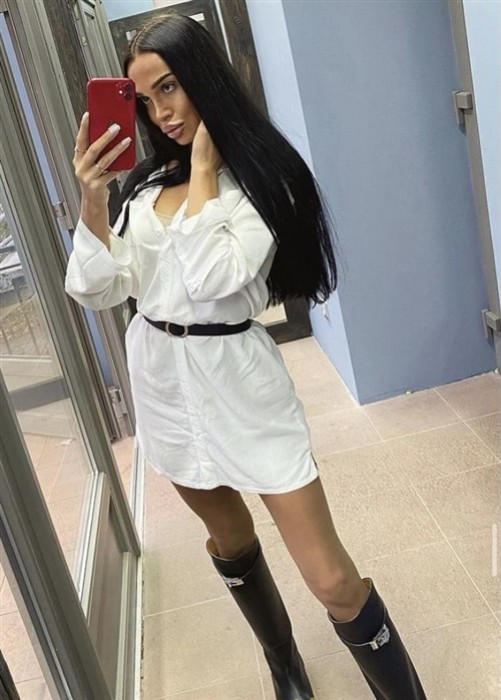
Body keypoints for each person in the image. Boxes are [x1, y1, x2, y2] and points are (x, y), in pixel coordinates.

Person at [65, 13, 426, 700]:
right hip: (163, 383)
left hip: (240, 384)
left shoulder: (261, 181)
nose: (160, 112)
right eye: (145, 98)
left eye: (170, 87)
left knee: (332, 579)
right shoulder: (141, 188)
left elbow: (216, 281)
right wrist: (93, 199)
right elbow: (95, 288)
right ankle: (285, 667)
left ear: (203, 77)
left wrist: (204, 172)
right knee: (228, 539)